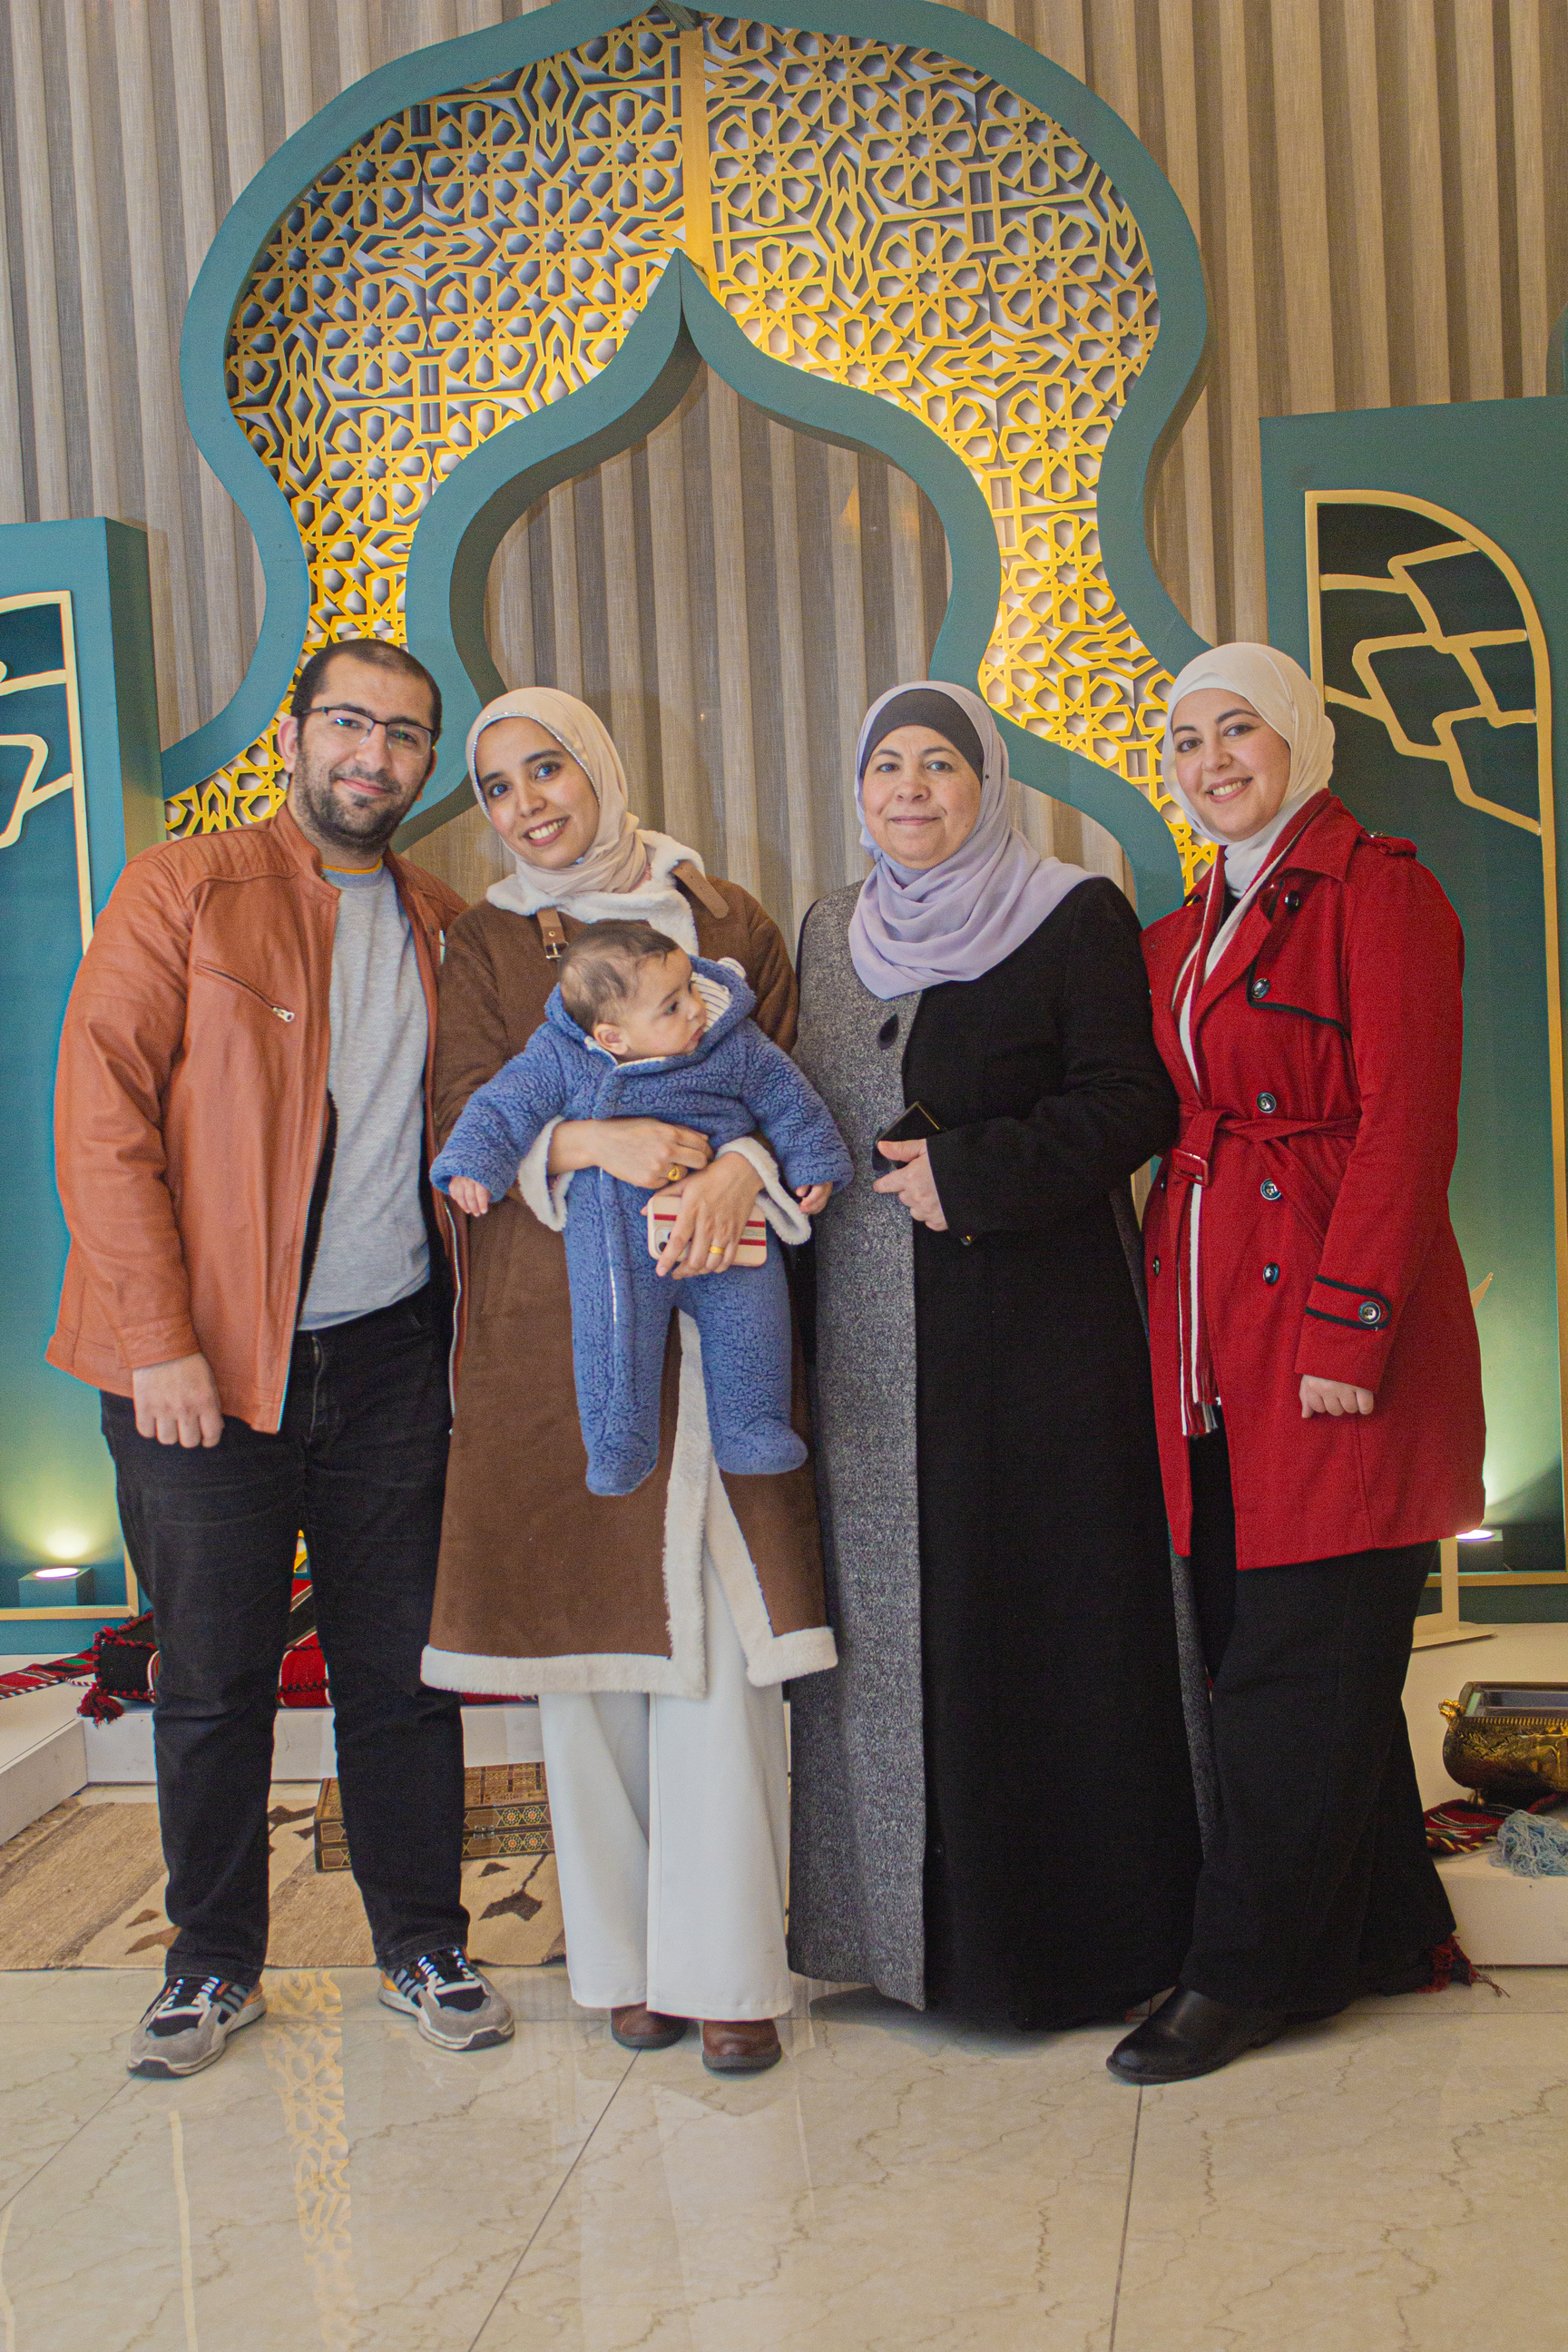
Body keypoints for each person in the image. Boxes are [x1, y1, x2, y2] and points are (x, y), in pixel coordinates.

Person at [49, 636, 514, 2077]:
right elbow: (102, 1120)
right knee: (210, 1683)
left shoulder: (446, 924)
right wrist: (161, 1343)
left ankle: (423, 1943)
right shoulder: (184, 887)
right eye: (351, 723)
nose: (375, 755)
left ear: (426, 764)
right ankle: (210, 1964)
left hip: (388, 1364)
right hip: (199, 1369)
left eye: (406, 735)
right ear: (297, 735)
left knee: (401, 1678)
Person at [420, 687, 838, 2075]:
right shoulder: (483, 942)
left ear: (598, 766)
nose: (528, 802)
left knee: (718, 1649)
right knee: (585, 1661)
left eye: (548, 767)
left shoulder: (723, 917)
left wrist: (739, 1169)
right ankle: (627, 1964)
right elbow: (464, 1114)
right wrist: (591, 1147)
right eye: (497, 785)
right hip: (563, 1330)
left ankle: (730, 1969)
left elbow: (798, 1085)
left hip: (722, 1312)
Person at [787, 680, 1207, 2029]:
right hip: (871, 1349)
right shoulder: (827, 930)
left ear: (987, 784)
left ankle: (1073, 1953)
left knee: (1038, 1629)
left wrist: (971, 1172)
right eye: (886, 766)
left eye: (939, 764)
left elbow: (1133, 1101)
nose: (910, 789)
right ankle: (898, 1946)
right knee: (896, 1645)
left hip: (1042, 1350)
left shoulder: (1071, 912)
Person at [1108, 643, 1485, 2086]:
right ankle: (1387, 1934)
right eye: (1186, 739)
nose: (1210, 761)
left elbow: (1409, 1122)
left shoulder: (1381, 892)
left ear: (1300, 741)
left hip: (1329, 1326)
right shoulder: (1183, 926)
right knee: (1283, 1651)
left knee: (1299, 1660)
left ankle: (1242, 1974)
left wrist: (1351, 1327)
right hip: (1212, 1340)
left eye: (1238, 731)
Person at [432, 922, 849, 1494]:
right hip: (614, 1232)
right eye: (672, 1006)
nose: (696, 1009)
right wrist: (473, 1164)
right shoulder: (561, 1054)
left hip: (726, 1223)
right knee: (613, 1334)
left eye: (692, 988)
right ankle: (617, 1442)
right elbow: (502, 1106)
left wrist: (813, 1161)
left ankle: (753, 1426)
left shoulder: (732, 1042)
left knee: (754, 1321)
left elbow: (788, 1097)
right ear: (613, 1038)